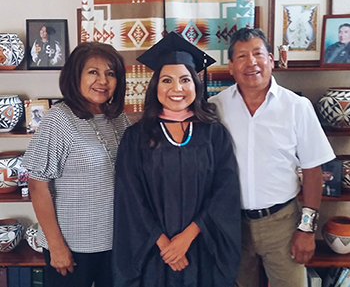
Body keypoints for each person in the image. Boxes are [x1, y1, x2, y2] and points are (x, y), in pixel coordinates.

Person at [112, 31, 241, 287]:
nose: (177, 89)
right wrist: (165, 244)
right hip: (153, 253)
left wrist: (186, 238)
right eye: (167, 80)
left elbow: (224, 193)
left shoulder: (214, 134)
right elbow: (130, 198)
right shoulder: (136, 137)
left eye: (185, 80)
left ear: (196, 85)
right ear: (155, 86)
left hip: (202, 247)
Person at [209, 28, 335, 287]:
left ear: (271, 60)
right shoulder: (215, 107)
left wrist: (307, 228)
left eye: (258, 53)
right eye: (242, 56)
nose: (251, 62)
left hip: (283, 223)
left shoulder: (297, 107)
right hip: (234, 224)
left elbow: (313, 170)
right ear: (231, 67)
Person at [22, 42, 130, 287]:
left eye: (110, 73)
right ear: (75, 75)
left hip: (115, 242)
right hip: (72, 245)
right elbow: (38, 186)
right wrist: (57, 245)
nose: (102, 80)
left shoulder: (118, 119)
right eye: (93, 72)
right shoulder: (58, 120)